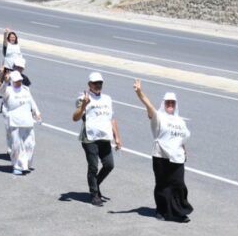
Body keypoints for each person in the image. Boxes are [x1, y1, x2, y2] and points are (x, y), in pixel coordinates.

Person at [134, 79, 193, 223]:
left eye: (173, 103)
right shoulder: (158, 117)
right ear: (164, 103)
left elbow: (181, 138)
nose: (170, 105)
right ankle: (161, 210)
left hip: (177, 156)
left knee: (179, 184)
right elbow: (149, 106)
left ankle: (179, 211)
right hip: (160, 155)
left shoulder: (180, 121)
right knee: (162, 184)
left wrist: (184, 150)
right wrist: (140, 92)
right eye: (168, 102)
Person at [71, 72, 122, 207]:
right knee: (93, 167)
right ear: (89, 85)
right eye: (95, 83)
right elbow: (75, 118)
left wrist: (117, 137)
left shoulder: (107, 99)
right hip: (90, 138)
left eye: (100, 83)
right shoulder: (83, 98)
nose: (98, 85)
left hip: (104, 137)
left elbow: (111, 119)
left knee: (109, 165)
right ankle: (94, 194)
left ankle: (96, 184)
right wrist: (83, 105)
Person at [2, 70, 41, 175]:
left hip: (27, 120)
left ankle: (26, 164)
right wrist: (5, 82)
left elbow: (31, 101)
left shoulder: (25, 89)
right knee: (16, 145)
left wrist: (37, 112)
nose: (18, 82)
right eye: (16, 81)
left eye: (19, 80)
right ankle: (17, 166)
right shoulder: (8, 90)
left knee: (30, 144)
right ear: (12, 81)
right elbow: (2, 91)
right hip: (15, 121)